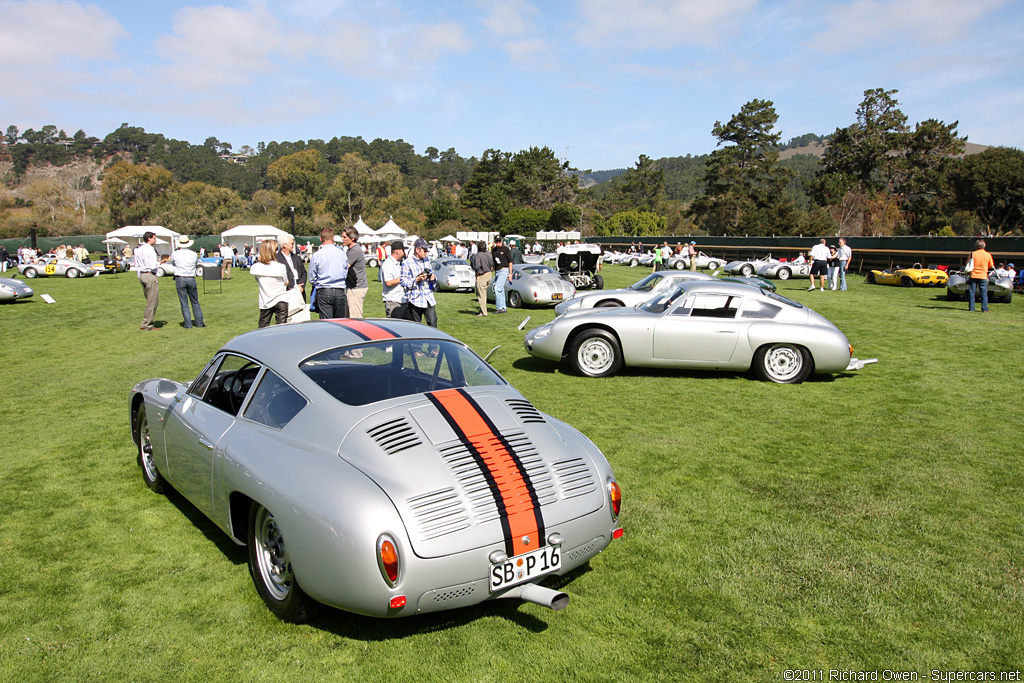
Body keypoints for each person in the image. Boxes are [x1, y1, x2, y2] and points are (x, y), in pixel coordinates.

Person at [308, 227, 349, 319]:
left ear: (321, 239)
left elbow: (312, 276)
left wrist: (317, 282)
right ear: (333, 238)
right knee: (340, 322)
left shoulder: (317, 255)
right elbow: (345, 271)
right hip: (339, 290)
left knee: (327, 323)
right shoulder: (341, 253)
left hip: (324, 289)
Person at [169, 236, 205, 329]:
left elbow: (173, 263)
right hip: (191, 277)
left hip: (180, 277)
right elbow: (196, 263)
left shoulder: (175, 254)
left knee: (184, 302)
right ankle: (199, 323)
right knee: (195, 301)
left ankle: (188, 324)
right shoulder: (193, 254)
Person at [251, 240, 289, 327]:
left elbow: (257, 279)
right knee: (281, 329)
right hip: (280, 299)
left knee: (262, 328)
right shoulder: (281, 267)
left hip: (265, 300)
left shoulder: (256, 267)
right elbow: (285, 282)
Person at [401, 238, 437, 326]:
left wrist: (433, 277)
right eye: (424, 250)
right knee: (416, 326)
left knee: (433, 323)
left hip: (428, 297)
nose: (426, 252)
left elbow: (432, 274)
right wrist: (416, 279)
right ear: (417, 250)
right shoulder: (407, 263)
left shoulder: (427, 260)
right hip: (415, 299)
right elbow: (403, 281)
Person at [276, 233, 308, 322]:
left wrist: (301, 286)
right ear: (284, 245)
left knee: (301, 321)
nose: (293, 245)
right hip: (286, 294)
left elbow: (304, 273)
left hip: (299, 293)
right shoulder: (276, 259)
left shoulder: (296, 258)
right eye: (292, 243)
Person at [134, 231, 161, 330]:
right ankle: (148, 324)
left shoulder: (138, 250)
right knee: (152, 301)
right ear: (149, 238)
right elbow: (153, 265)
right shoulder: (150, 250)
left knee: (149, 300)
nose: (155, 240)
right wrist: (159, 263)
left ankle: (145, 322)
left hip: (142, 275)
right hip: (150, 275)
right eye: (154, 238)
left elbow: (136, 264)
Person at [341, 226, 368, 318]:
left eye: (345, 237)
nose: (342, 239)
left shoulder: (354, 251)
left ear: (352, 238)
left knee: (355, 318)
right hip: (353, 287)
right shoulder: (351, 250)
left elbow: (343, 268)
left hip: (356, 288)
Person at [966, 239, 995, 312]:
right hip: (983, 275)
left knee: (972, 292)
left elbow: (968, 263)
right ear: (984, 246)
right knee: (983, 292)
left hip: (973, 275)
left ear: (976, 246)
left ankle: (971, 308)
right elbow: (991, 265)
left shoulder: (973, 254)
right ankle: (984, 308)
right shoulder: (988, 255)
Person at [381, 241, 407, 318]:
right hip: (393, 300)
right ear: (397, 251)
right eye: (403, 250)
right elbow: (388, 282)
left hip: (401, 299)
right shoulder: (388, 264)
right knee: (395, 326)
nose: (404, 253)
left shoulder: (398, 262)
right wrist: (403, 278)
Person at [472, 240, 494, 316]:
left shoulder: (478, 255)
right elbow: (492, 264)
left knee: (481, 295)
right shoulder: (489, 254)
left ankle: (484, 312)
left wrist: (477, 274)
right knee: (483, 294)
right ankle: (482, 311)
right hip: (489, 274)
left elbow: (477, 266)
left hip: (482, 275)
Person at [491, 236, 512, 314]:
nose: (498, 243)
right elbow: (494, 262)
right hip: (497, 271)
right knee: (500, 290)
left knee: (497, 288)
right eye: (497, 241)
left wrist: (510, 273)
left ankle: (499, 307)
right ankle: (503, 307)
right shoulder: (493, 250)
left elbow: (510, 261)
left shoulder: (506, 249)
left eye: (499, 241)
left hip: (504, 270)